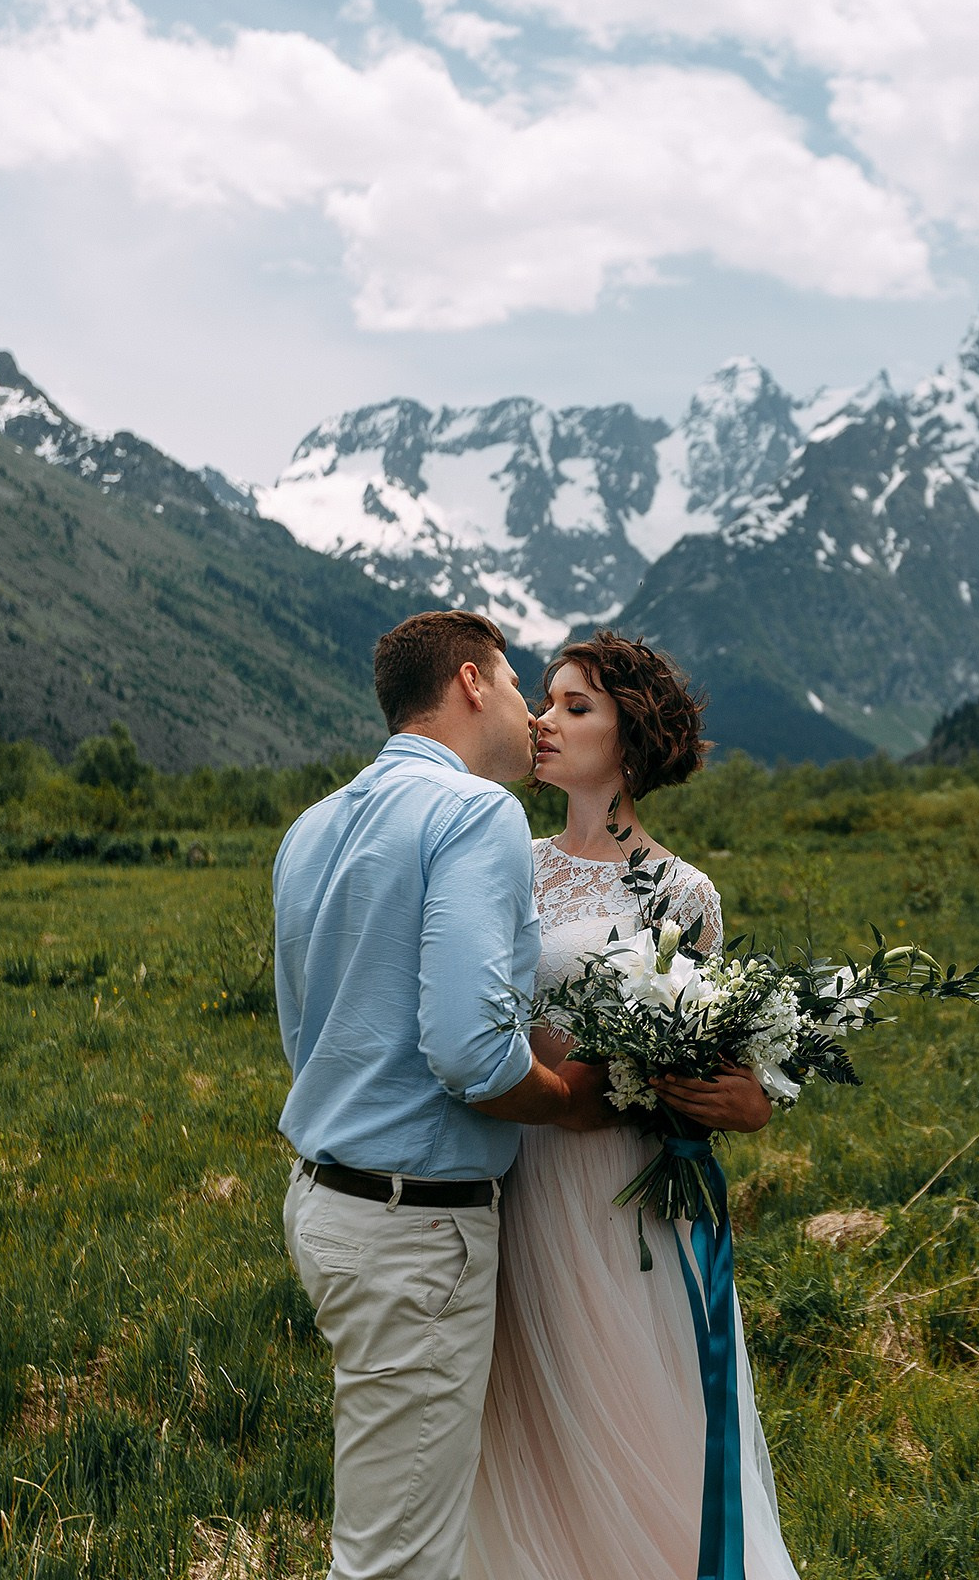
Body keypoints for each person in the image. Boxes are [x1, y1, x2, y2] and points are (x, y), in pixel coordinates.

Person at [273, 609, 604, 1580]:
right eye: (516, 683)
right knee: (396, 1563)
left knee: (406, 1531)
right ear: (469, 681)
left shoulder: (311, 826)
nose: (528, 710)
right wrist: (568, 1098)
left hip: (326, 1202)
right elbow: (470, 1052)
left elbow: (307, 1028)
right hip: (413, 1229)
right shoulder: (475, 814)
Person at [467, 630, 800, 1579]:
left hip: (623, 1193)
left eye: (576, 707)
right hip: (517, 1168)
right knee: (522, 1426)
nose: (545, 720)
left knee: (632, 1410)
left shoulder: (683, 893)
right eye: (545, 700)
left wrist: (750, 1103)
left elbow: (725, 1060)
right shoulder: (512, 862)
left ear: (631, 736)